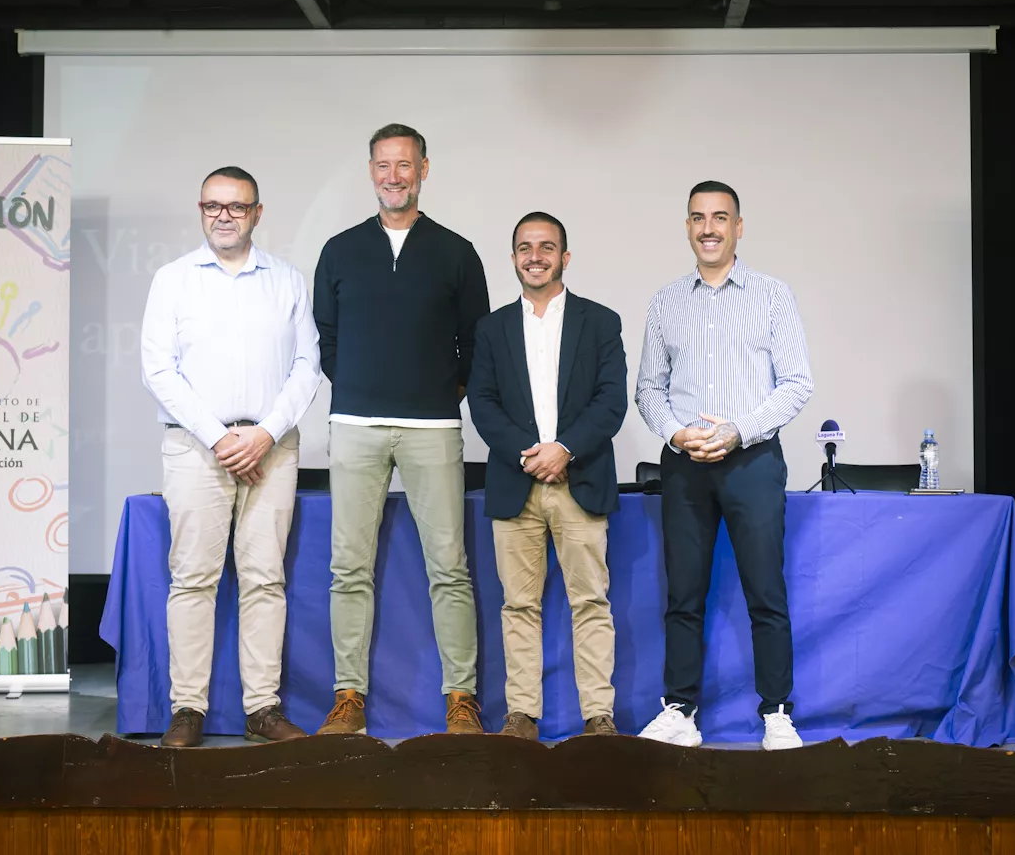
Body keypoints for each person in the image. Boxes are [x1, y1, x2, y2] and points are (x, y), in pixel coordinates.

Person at [312, 123, 489, 735]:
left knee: (450, 567)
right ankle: (348, 699)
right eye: (384, 165)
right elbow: (326, 340)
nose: (394, 175)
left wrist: (442, 391)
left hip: (433, 426)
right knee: (348, 568)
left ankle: (460, 700)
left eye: (405, 165)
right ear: (371, 172)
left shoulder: (456, 252)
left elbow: (477, 342)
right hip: (355, 424)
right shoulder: (339, 250)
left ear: (424, 170)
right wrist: (360, 387)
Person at [141, 166, 321, 748]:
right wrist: (218, 436)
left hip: (271, 447)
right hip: (196, 447)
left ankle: (262, 709)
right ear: (200, 211)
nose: (224, 215)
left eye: (236, 207)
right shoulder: (172, 280)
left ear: (257, 213)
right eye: (213, 206)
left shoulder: (287, 280)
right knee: (193, 581)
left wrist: (265, 433)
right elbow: (158, 369)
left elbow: (307, 367)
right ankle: (187, 710)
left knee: (265, 580)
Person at [633, 180, 814, 751]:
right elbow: (648, 389)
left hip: (753, 461)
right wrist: (675, 433)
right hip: (685, 464)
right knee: (683, 594)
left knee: (767, 592)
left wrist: (738, 432)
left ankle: (777, 713)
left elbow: (796, 384)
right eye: (697, 218)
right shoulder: (666, 302)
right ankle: (680, 711)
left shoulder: (771, 295)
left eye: (720, 217)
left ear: (739, 226)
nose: (708, 227)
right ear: (687, 227)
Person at [467, 212, 628, 740]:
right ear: (513, 257)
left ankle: (598, 717)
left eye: (547, 247)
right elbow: (483, 404)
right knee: (518, 605)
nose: (535, 256)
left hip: (579, 482)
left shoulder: (600, 322)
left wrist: (565, 450)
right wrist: (528, 454)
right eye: (525, 247)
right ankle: (521, 716)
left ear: (565, 256)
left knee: (590, 603)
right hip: (516, 484)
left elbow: (611, 402)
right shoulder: (491, 328)